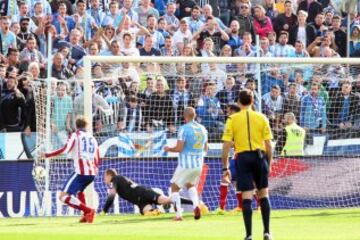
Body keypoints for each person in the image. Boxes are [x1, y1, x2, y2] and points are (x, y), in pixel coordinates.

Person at [222, 89, 273, 240]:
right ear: (252, 102)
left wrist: (225, 167)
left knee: (246, 197)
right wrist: (268, 163)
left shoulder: (232, 119)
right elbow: (269, 144)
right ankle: (267, 232)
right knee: (263, 193)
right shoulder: (262, 117)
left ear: (238, 102)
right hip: (259, 156)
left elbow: (226, 145)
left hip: (243, 158)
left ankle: (249, 234)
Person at [43, 117, 99, 223]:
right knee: (80, 192)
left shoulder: (75, 135)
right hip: (92, 173)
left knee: (62, 196)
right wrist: (94, 169)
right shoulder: (93, 138)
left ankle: (89, 211)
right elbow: (97, 157)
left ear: (76, 126)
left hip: (81, 172)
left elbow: (65, 150)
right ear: (86, 126)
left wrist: (47, 155)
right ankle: (86, 215)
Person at [164, 107, 208, 221]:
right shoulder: (203, 128)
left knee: (174, 187)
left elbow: (179, 148)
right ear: (194, 115)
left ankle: (178, 215)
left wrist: (168, 149)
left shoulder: (184, 129)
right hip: (198, 164)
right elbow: (206, 148)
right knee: (190, 185)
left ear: (184, 117)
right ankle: (196, 205)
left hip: (186, 164)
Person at [101, 168, 198, 216]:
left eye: (105, 176)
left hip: (144, 193)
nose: (104, 179)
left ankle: (195, 204)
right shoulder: (118, 180)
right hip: (140, 202)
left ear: (110, 175)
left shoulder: (116, 178)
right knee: (148, 213)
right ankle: (158, 210)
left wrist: (104, 211)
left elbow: (111, 196)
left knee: (166, 200)